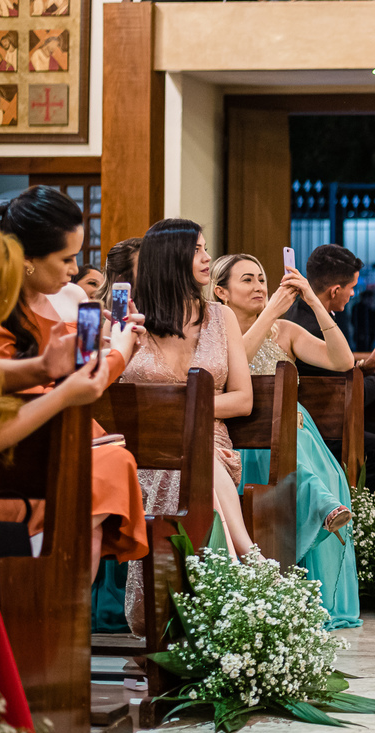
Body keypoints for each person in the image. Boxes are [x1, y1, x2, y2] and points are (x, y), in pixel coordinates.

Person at [0, 187, 147, 580]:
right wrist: (120, 350)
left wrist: (113, 343)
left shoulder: (62, 300)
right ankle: (46, 588)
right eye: (65, 258)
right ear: (27, 260)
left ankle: (65, 607)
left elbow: (70, 372)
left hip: (56, 435)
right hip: (20, 454)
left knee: (108, 472)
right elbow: (53, 387)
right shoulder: (2, 312)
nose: (75, 269)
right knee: (107, 469)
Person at [209, 253, 362, 629]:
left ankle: (316, 588)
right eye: (247, 280)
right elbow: (231, 370)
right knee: (288, 460)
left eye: (262, 279)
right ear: (221, 292)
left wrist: (312, 300)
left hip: (298, 433)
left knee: (308, 460)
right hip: (248, 442)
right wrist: (270, 312)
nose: (259, 286)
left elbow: (343, 361)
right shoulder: (215, 334)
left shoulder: (286, 331)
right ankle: (322, 505)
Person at [122, 219, 255, 633]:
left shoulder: (221, 317)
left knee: (197, 459)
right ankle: (245, 563)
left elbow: (243, 399)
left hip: (212, 442)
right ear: (170, 258)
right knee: (187, 465)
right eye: (197, 249)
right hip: (145, 452)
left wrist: (187, 410)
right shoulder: (132, 322)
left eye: (205, 248)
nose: (207, 258)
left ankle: (178, 618)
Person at [282, 244, 375, 519]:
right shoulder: (313, 326)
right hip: (321, 429)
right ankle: (370, 528)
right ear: (335, 290)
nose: (354, 294)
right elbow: (352, 394)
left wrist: (368, 364)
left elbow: (339, 379)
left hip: (334, 419)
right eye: (352, 287)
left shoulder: (306, 316)